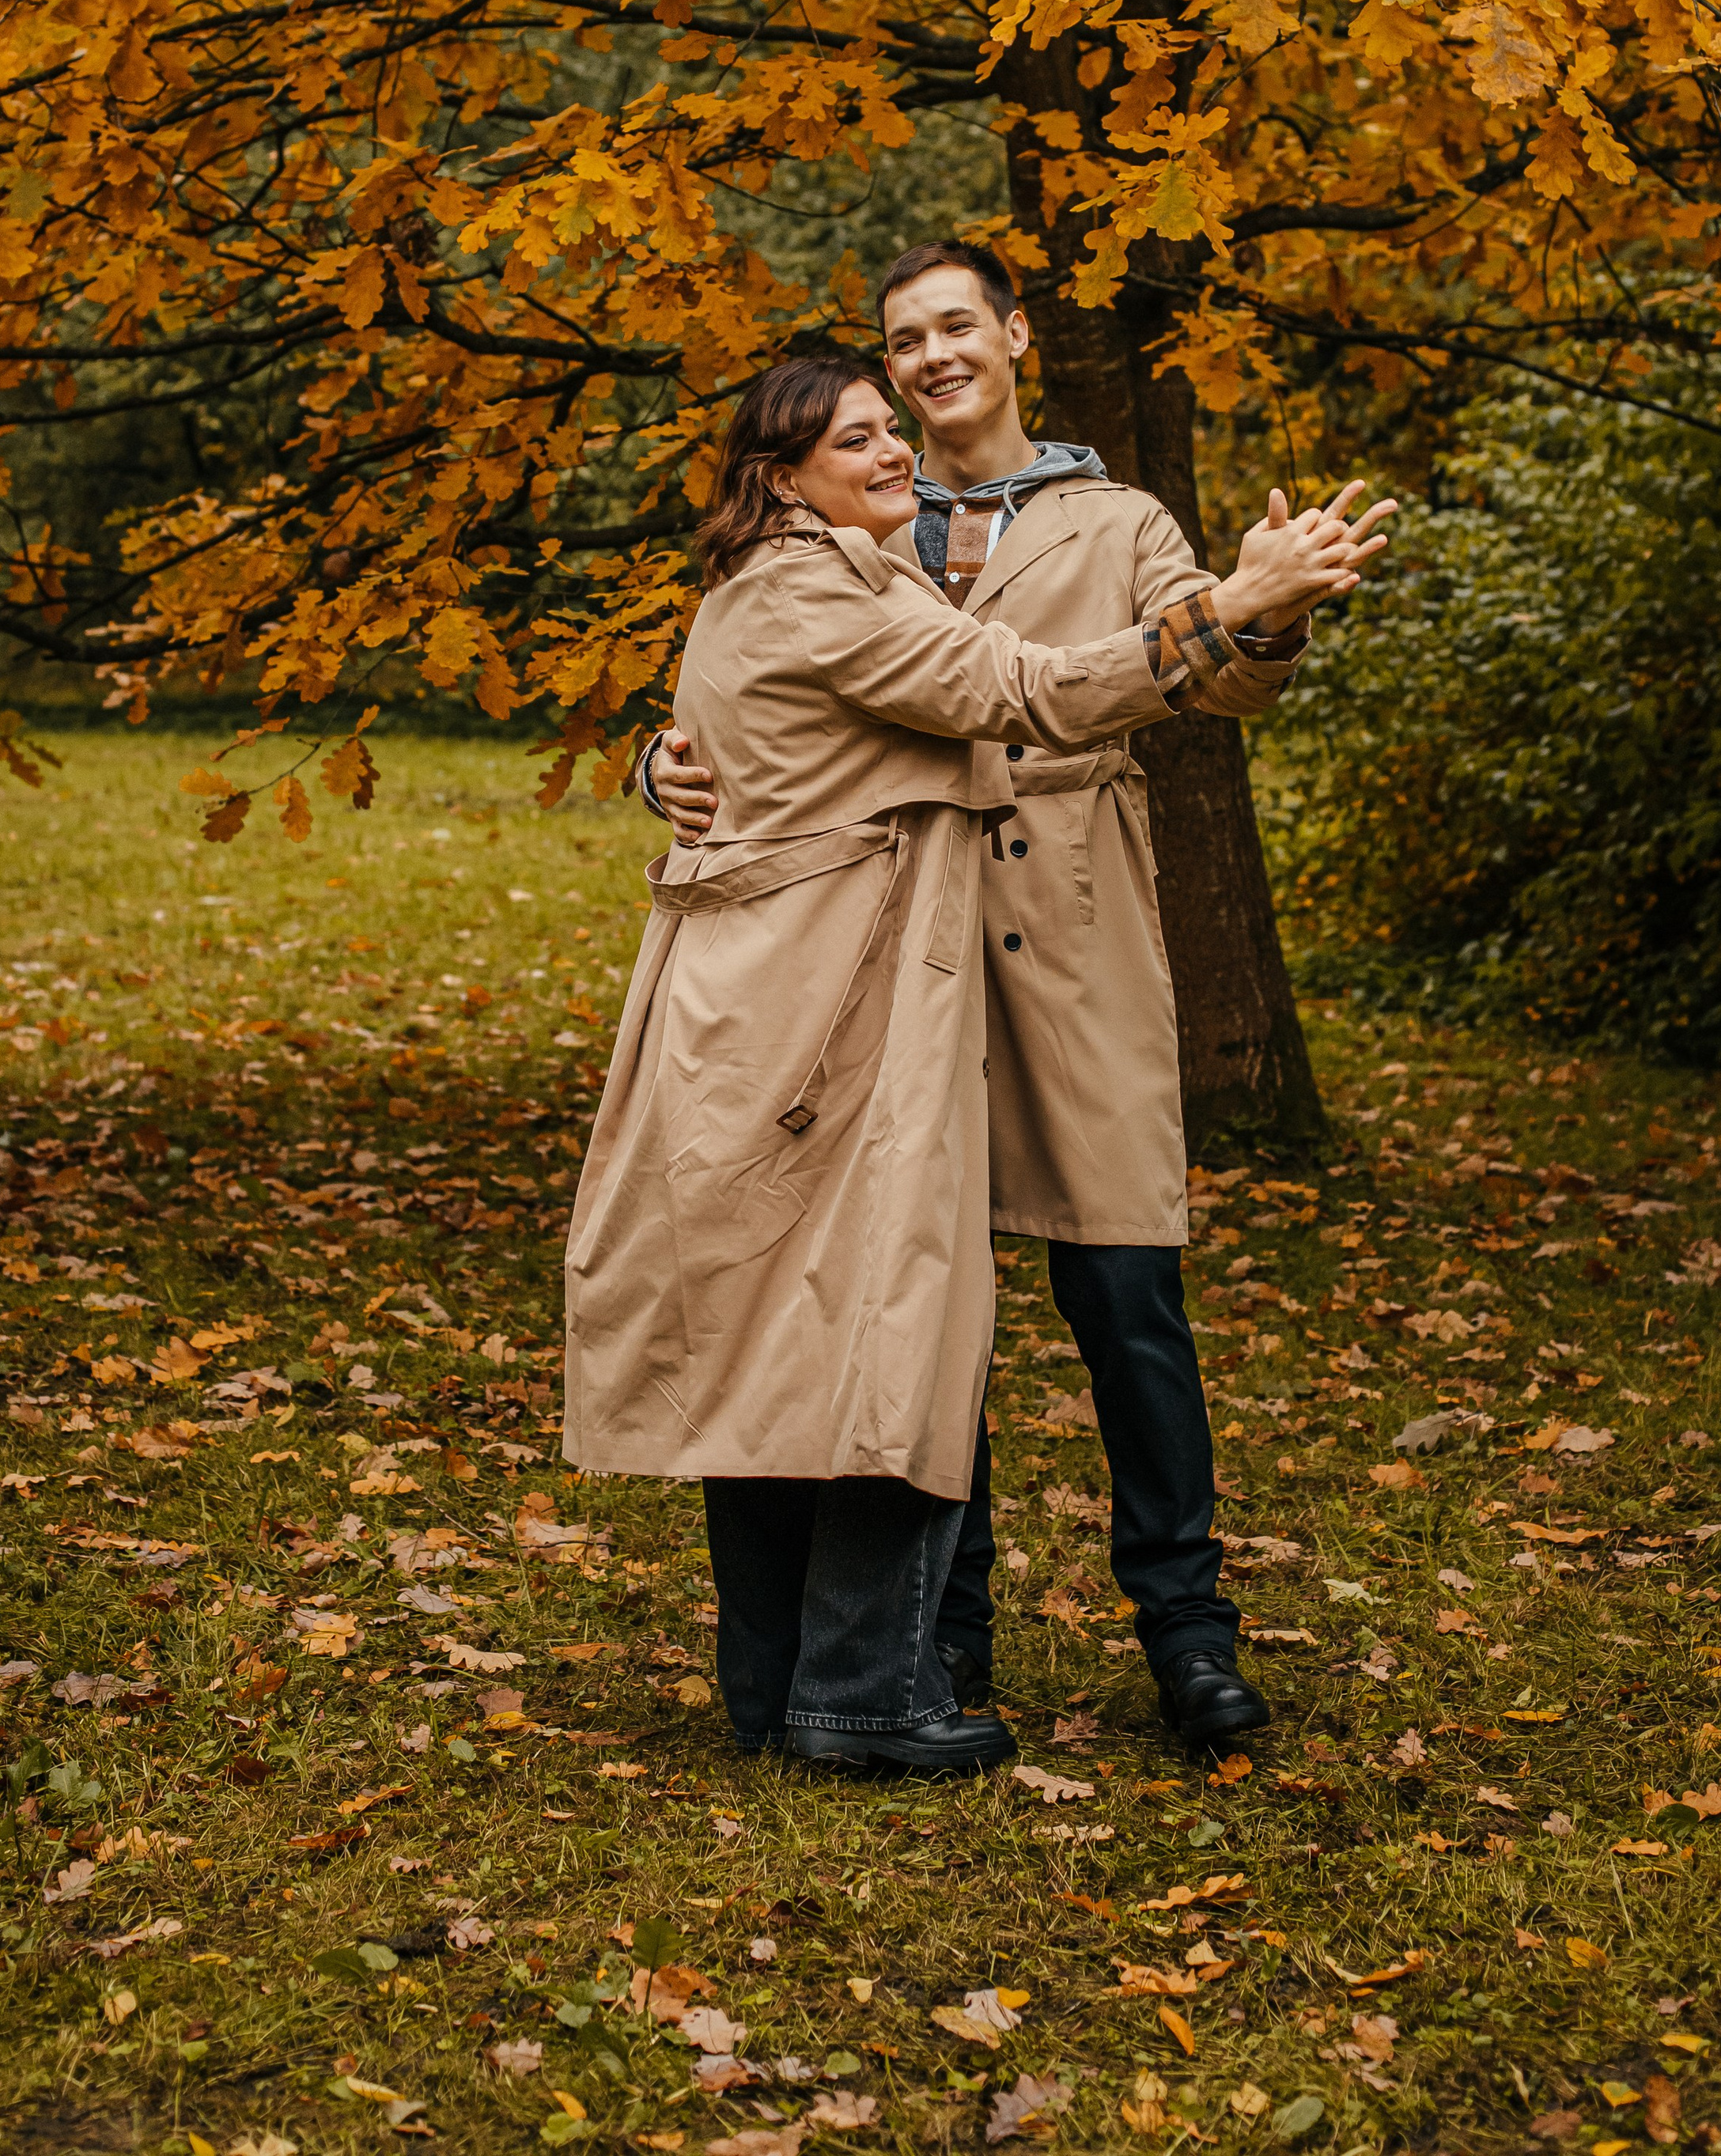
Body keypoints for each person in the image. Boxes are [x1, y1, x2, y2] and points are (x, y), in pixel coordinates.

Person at [567, 354, 1385, 1780]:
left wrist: (1249, 621)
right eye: (862, 433)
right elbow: (1032, 687)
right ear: (783, 474)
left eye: (897, 427)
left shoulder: (834, 572)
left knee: (808, 1340)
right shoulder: (825, 589)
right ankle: (869, 1694)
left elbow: (791, 727)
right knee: (881, 1330)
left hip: (824, 999)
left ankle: (786, 1689)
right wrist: (1237, 600)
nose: (896, 444)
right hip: (818, 1012)